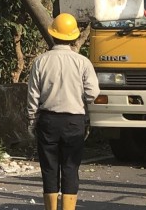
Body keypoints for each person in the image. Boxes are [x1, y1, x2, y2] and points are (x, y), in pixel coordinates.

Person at [27, 13, 99, 210]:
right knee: (70, 167)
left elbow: (33, 95)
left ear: (53, 35)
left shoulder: (40, 61)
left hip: (48, 120)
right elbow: (93, 94)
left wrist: (32, 121)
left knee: (49, 168)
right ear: (74, 37)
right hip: (74, 121)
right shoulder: (82, 62)